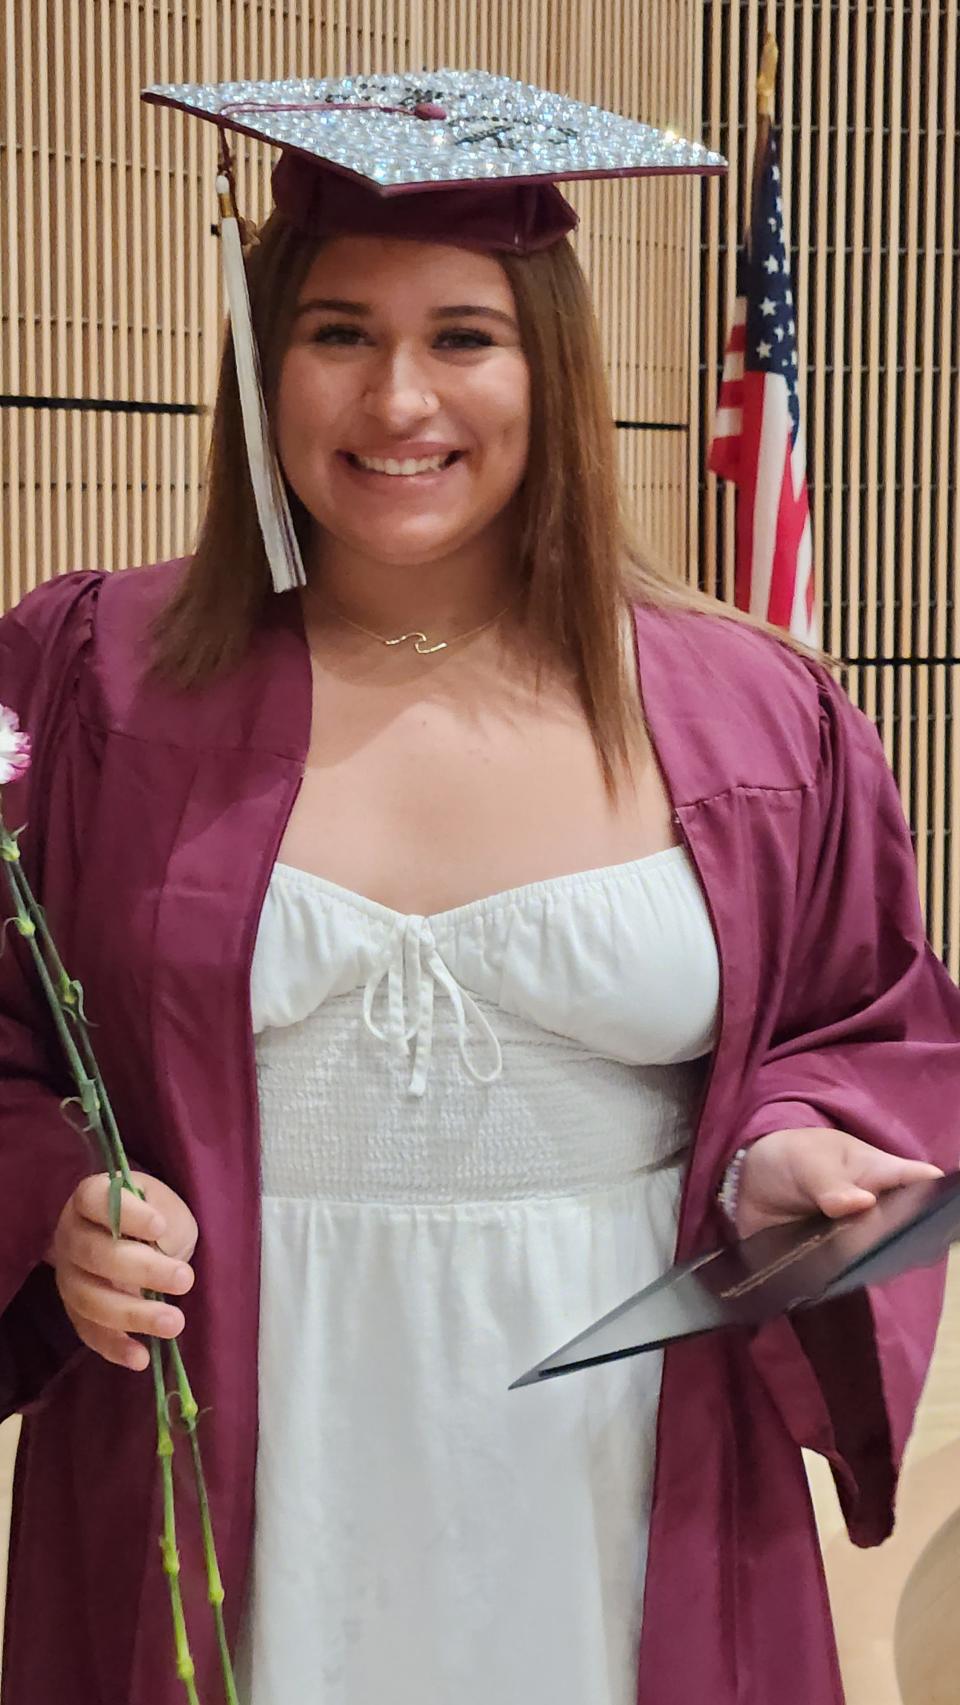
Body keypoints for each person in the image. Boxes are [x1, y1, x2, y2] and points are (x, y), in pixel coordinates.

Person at [1, 71, 958, 1705]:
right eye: (335, 333)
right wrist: (54, 1204)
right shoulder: (99, 679)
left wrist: (789, 1151)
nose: (397, 400)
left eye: (463, 335)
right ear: (257, 357)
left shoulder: (750, 709)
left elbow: (862, 1019)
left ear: (551, 367)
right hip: (235, 1420)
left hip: (618, 1437)